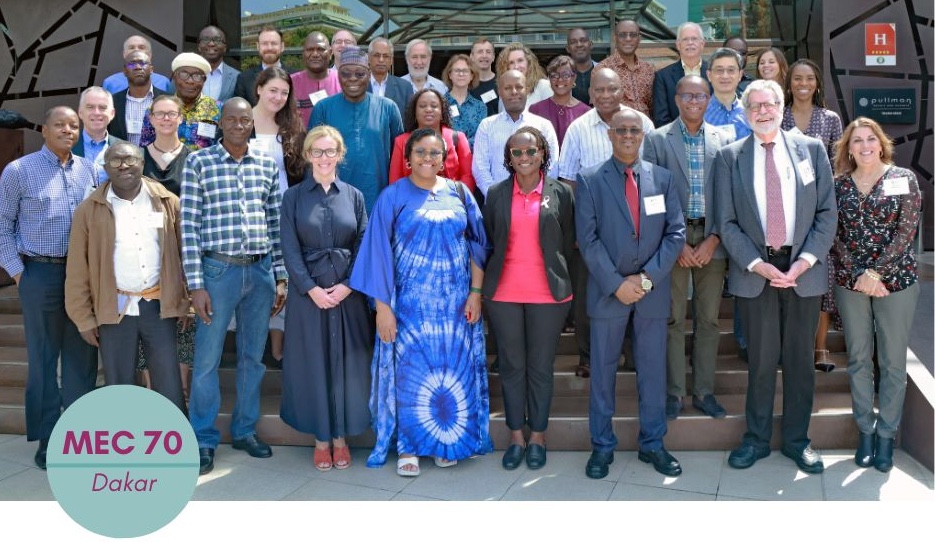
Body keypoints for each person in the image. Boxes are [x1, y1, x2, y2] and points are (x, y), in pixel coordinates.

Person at [350, 128, 492, 477]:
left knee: (451, 369)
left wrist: (476, 293)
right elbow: (377, 254)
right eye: (421, 152)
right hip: (409, 307)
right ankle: (409, 446)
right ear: (407, 157)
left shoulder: (461, 193)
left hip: (455, 307)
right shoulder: (393, 196)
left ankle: (447, 442)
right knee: (412, 375)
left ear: (444, 159)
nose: (428, 159)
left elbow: (478, 245)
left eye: (435, 153)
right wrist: (383, 308)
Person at [716, 79, 837, 474]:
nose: (762, 111)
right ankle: (755, 440)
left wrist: (803, 262)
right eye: (754, 106)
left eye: (769, 104)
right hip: (757, 271)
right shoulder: (730, 157)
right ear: (746, 111)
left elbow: (826, 213)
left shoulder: (812, 149)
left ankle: (798, 441)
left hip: (804, 270)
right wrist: (757, 264)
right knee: (762, 362)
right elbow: (727, 221)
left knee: (801, 362)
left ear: (781, 107)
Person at [181, 98, 288, 475]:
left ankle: (244, 430)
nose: (240, 124)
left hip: (259, 273)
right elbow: (189, 227)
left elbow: (275, 223)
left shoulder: (264, 164)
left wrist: (280, 276)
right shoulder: (199, 162)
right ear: (221, 123)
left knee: (252, 359)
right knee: (207, 361)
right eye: (232, 119)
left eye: (246, 119)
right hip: (217, 272)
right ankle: (203, 439)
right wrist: (195, 284)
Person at [577, 109, 685, 479]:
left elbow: (675, 235)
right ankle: (601, 446)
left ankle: (653, 444)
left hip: (651, 293)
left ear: (643, 135)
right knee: (603, 372)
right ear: (609, 134)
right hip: (608, 292)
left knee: (653, 371)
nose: (627, 135)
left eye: (633, 130)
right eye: (620, 129)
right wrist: (617, 284)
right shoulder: (590, 180)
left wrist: (646, 279)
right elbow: (587, 240)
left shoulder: (663, 179)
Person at [0, 106, 99, 469]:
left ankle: (79, 436)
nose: (68, 130)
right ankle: (48, 437)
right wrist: (18, 273)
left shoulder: (89, 170)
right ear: (44, 129)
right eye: (60, 125)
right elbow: (2, 225)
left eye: (74, 126)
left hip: (81, 277)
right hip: (39, 273)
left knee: (83, 359)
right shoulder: (20, 170)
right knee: (43, 359)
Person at [65, 143, 187, 411]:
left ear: (142, 163)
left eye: (130, 159)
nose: (123, 165)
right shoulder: (89, 210)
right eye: (115, 160)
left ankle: (176, 444)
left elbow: (185, 254)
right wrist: (83, 318)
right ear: (105, 168)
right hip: (114, 308)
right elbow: (77, 270)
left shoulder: (167, 202)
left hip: (159, 307)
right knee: (119, 382)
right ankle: (125, 445)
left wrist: (184, 301)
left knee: (168, 381)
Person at [831, 117, 921, 473]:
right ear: (848, 148)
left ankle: (887, 435)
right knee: (857, 358)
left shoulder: (903, 179)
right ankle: (865, 431)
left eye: (871, 139)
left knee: (893, 363)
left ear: (881, 143)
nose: (865, 146)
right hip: (851, 281)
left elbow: (906, 230)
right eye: (857, 141)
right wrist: (858, 273)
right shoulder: (839, 185)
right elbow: (834, 235)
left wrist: (875, 272)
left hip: (895, 281)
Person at [279, 126, 372, 472]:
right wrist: (311, 289)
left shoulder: (355, 195)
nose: (324, 158)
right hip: (309, 297)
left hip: (347, 295)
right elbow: (289, 248)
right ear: (307, 155)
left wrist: (349, 284)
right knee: (313, 366)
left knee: (347, 366)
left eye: (330, 151)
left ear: (340, 155)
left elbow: (364, 244)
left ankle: (341, 440)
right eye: (317, 152)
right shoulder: (293, 197)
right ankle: (321, 439)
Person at [482, 126, 575, 471]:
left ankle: (538, 434)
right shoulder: (495, 193)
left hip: (547, 295)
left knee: (539, 368)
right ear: (508, 158)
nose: (524, 158)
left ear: (542, 154)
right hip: (504, 293)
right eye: (517, 153)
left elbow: (567, 244)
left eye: (530, 151)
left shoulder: (561, 193)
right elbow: (492, 239)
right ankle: (516, 436)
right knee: (512, 366)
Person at [643, 75, 735, 420]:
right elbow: (651, 196)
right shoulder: (656, 139)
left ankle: (704, 391)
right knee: (673, 319)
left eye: (700, 95)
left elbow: (730, 195)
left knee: (709, 320)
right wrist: (675, 241)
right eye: (687, 95)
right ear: (677, 98)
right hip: (673, 241)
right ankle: (674, 393)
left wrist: (715, 238)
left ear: (709, 99)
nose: (693, 100)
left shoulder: (724, 139)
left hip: (713, 239)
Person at [556, 67, 653, 378]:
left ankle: (633, 353)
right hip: (593, 231)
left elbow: (655, 176)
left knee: (638, 290)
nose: (606, 95)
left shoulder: (642, 123)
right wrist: (576, 230)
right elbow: (567, 180)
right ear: (590, 93)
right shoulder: (578, 128)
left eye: (612, 89)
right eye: (600, 90)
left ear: (622, 90)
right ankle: (588, 356)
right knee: (591, 294)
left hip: (637, 229)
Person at [782, 58, 843, 372]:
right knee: (788, 279)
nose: (802, 84)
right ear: (789, 83)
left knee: (821, 279)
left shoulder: (830, 119)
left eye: (808, 79)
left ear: (817, 84)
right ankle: (792, 348)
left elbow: (838, 166)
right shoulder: (778, 116)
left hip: (820, 210)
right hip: (784, 213)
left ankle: (820, 349)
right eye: (796, 79)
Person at [251, 66, 309, 368]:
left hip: (282, 213)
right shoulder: (239, 120)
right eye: (273, 90)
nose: (278, 97)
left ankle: (277, 342)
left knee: (281, 276)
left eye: (284, 93)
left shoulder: (291, 129)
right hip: (245, 215)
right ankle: (252, 342)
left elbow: (298, 175)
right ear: (259, 88)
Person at [141, 94, 194, 396]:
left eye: (171, 114)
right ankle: (151, 391)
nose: (165, 119)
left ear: (180, 118)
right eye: (159, 114)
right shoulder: (137, 157)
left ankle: (181, 390)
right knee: (148, 321)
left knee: (183, 320)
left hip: (183, 247)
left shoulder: (194, 157)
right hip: (145, 251)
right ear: (150, 119)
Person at [308, 46, 404, 213]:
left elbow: (400, 156)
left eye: (360, 74)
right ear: (338, 76)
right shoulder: (323, 108)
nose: (352, 79)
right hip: (332, 202)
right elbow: (311, 158)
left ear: (368, 75)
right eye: (345, 74)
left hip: (378, 200)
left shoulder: (388, 108)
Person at [472, 70, 559, 199]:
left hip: (536, 203)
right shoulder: (487, 126)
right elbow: (480, 168)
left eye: (519, 87)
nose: (514, 92)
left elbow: (552, 165)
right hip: (498, 204)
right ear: (500, 92)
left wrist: (535, 196)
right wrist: (496, 197)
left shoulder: (543, 126)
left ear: (527, 90)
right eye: (507, 88)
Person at [389, 88, 475, 192]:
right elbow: (395, 181)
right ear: (414, 112)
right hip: (412, 204)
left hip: (451, 202)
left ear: (442, 112)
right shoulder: (401, 141)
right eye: (422, 106)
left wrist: (456, 199)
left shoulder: (458, 138)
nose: (428, 109)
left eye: (434, 106)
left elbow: (468, 175)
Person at [140, 53, 220, 150]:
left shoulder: (217, 109)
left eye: (197, 76)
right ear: (174, 77)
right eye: (184, 75)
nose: (190, 81)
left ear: (204, 80)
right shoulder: (156, 109)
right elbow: (146, 148)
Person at [653, 22, 709, 127]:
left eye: (694, 39)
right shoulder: (663, 77)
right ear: (678, 45)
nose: (690, 43)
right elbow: (661, 118)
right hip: (675, 139)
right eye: (685, 39)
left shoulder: (714, 72)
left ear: (702, 44)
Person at [596, 19, 655, 117]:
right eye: (622, 35)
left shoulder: (649, 69)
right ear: (615, 38)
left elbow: (653, 107)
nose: (628, 39)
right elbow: (599, 108)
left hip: (646, 129)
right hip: (617, 129)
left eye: (632, 35)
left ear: (639, 38)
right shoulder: (602, 70)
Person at [530, 55, 591, 147]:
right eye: (554, 75)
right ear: (549, 79)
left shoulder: (586, 113)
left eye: (565, 75)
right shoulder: (535, 110)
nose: (560, 79)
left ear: (574, 78)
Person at [109, 50, 167, 145]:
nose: (137, 67)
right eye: (132, 64)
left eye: (143, 63)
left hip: (157, 158)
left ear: (151, 69)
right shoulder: (112, 102)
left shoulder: (167, 100)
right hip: (122, 158)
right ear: (124, 71)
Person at [72, 86, 123, 182]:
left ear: (112, 113)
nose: (96, 112)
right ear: (80, 112)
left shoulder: (124, 149)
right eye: (90, 107)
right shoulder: (64, 148)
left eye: (102, 108)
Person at [292, 32, 341, 127]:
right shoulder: (289, 83)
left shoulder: (343, 81)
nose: (315, 54)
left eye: (321, 49)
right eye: (310, 50)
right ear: (303, 54)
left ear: (330, 53)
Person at [234, 25, 289, 106]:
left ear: (282, 46)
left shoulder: (295, 77)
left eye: (274, 43)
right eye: (264, 43)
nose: (269, 48)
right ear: (258, 46)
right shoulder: (244, 79)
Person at [705, 48, 751, 141]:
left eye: (731, 70)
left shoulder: (751, 113)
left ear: (740, 75)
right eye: (719, 70)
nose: (725, 76)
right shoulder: (698, 114)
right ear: (709, 75)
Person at [442, 54, 487, 148]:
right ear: (450, 75)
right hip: (446, 158)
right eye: (457, 70)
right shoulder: (440, 104)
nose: (461, 74)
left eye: (465, 71)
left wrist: (462, 145)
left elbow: (482, 136)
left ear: (471, 76)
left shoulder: (480, 107)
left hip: (472, 158)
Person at [101, 35, 171, 94]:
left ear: (150, 55)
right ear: (124, 54)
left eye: (141, 47)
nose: (136, 50)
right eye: (131, 47)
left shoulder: (163, 82)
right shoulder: (110, 83)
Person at [495, 42, 552, 110]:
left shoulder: (544, 86)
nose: (516, 66)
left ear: (529, 62)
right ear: (506, 67)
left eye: (520, 60)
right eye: (511, 62)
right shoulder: (505, 91)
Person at [368, 37, 413, 118]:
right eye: (377, 55)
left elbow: (410, 121)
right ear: (368, 58)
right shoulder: (358, 85)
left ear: (391, 60)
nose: (381, 60)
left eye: (385, 56)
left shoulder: (405, 88)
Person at [196, 25, 240, 104]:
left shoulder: (237, 77)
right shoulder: (185, 75)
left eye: (217, 40)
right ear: (199, 46)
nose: (211, 44)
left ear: (225, 47)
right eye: (206, 39)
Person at [566, 27, 598, 104]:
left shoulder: (604, 71)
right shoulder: (559, 76)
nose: (579, 45)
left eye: (583, 40)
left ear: (591, 44)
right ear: (568, 48)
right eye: (573, 42)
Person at [469, 37, 499, 116]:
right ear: (471, 57)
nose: (484, 55)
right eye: (480, 52)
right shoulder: (464, 84)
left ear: (493, 57)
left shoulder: (502, 83)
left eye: (488, 52)